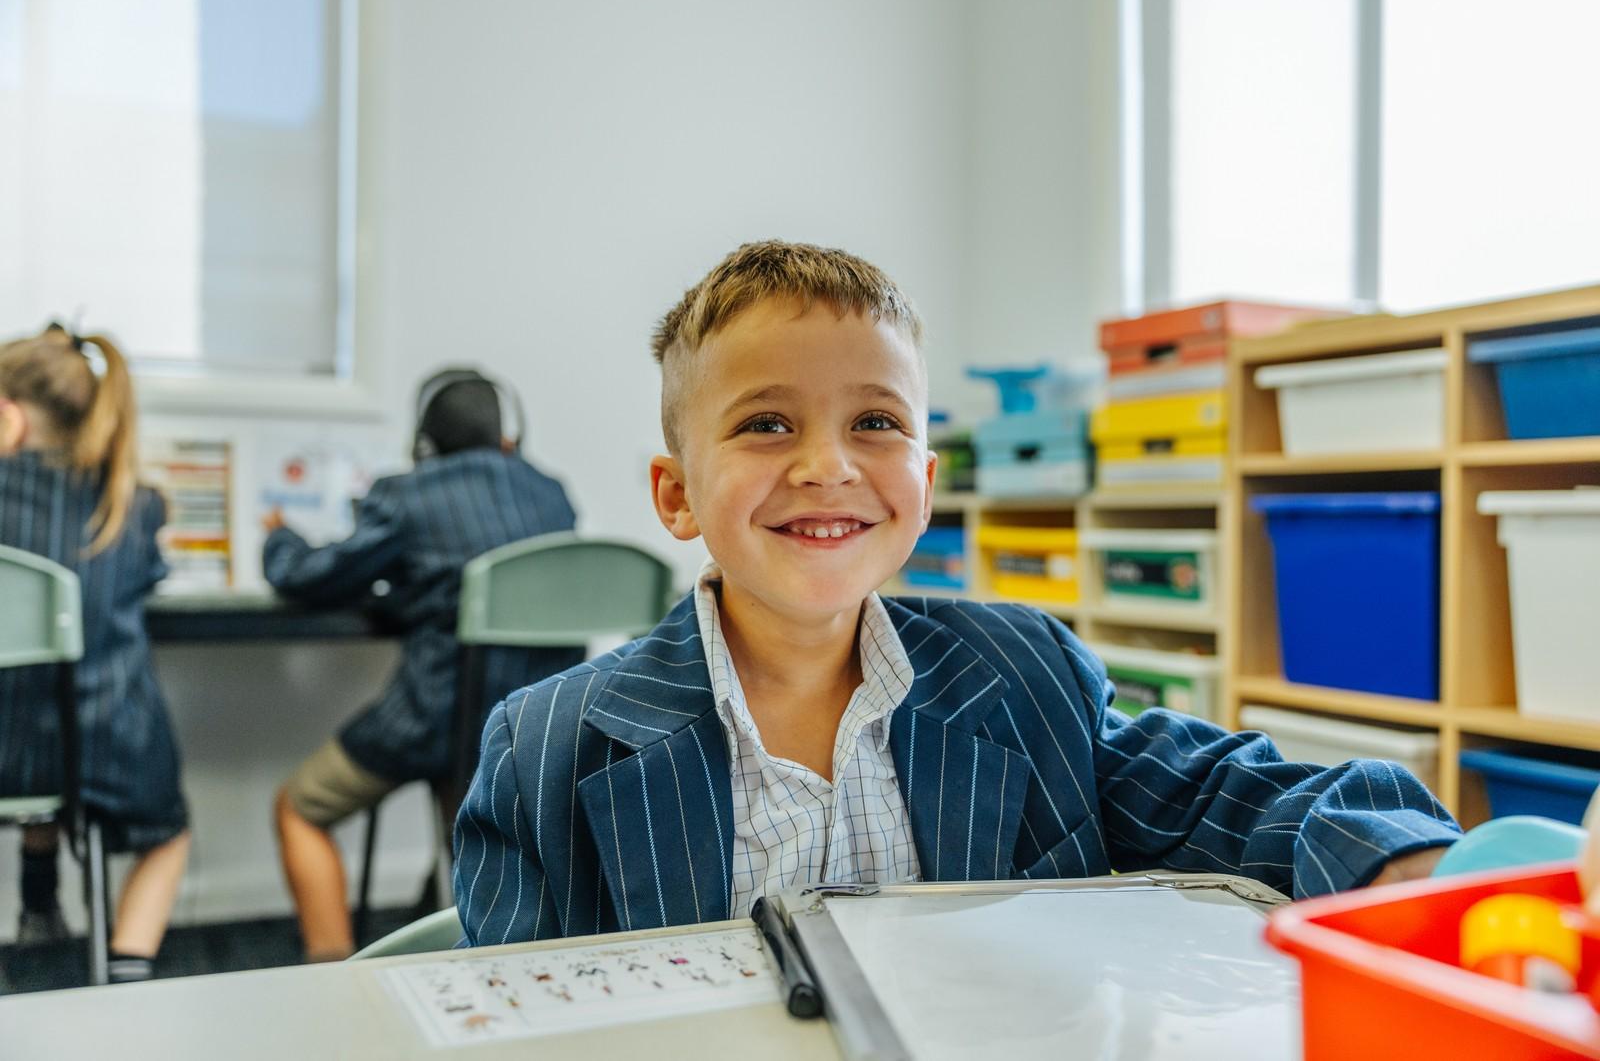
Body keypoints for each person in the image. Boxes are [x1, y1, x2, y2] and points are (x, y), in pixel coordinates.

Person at [453, 241, 1459, 946]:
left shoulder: (1028, 676)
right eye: (765, 423)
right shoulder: (545, 749)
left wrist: (1409, 864)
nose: (826, 466)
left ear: (926, 485)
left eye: (877, 423)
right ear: (676, 494)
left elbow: (1236, 794)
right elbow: (515, 1019)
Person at [265, 367, 580, 960]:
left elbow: (309, 579)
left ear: (423, 446)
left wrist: (279, 539)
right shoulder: (551, 494)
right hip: (532, 734)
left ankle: (333, 977)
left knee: (299, 807)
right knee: (467, 798)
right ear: (509, 437)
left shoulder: (406, 495)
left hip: (438, 724)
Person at [0, 323, 191, 982]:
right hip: (103, 749)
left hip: (9, 742)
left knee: (28, 733)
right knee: (168, 833)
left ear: (6, 418)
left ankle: (38, 906)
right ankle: (128, 968)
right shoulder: (132, 505)